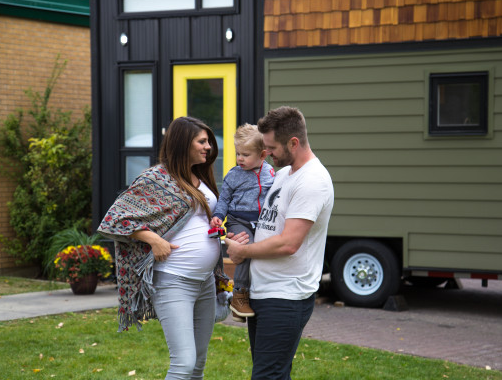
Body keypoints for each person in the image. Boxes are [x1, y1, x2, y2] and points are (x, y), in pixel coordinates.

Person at [97, 117, 248, 380]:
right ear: (182, 143)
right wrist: (153, 240)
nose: (208, 147)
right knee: (184, 363)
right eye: (202, 142)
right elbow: (114, 220)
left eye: (208, 142)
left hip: (205, 282)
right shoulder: (157, 178)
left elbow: (197, 221)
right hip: (173, 281)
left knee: (198, 364)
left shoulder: (199, 175)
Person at [225, 106, 334, 379]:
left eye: (271, 147)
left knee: (267, 375)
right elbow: (268, 225)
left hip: (286, 297)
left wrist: (242, 251)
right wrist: (241, 237)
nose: (267, 153)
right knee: (272, 374)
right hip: (262, 292)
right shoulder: (284, 174)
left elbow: (288, 244)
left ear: (293, 143)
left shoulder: (312, 181)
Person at [210, 123, 275, 322]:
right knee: (247, 249)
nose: (240, 159)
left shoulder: (271, 172)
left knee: (264, 254)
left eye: (245, 155)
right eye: (238, 153)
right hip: (239, 220)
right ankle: (239, 295)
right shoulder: (234, 174)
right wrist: (219, 217)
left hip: (262, 221)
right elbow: (224, 199)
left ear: (262, 155)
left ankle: (255, 296)